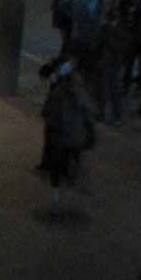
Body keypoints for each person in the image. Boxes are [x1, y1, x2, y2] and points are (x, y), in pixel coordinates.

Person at [40, 58, 97, 214]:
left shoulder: (57, 93)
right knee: (73, 167)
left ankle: (55, 200)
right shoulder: (81, 95)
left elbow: (46, 112)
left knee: (56, 169)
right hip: (76, 138)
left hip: (59, 137)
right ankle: (69, 199)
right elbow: (90, 113)